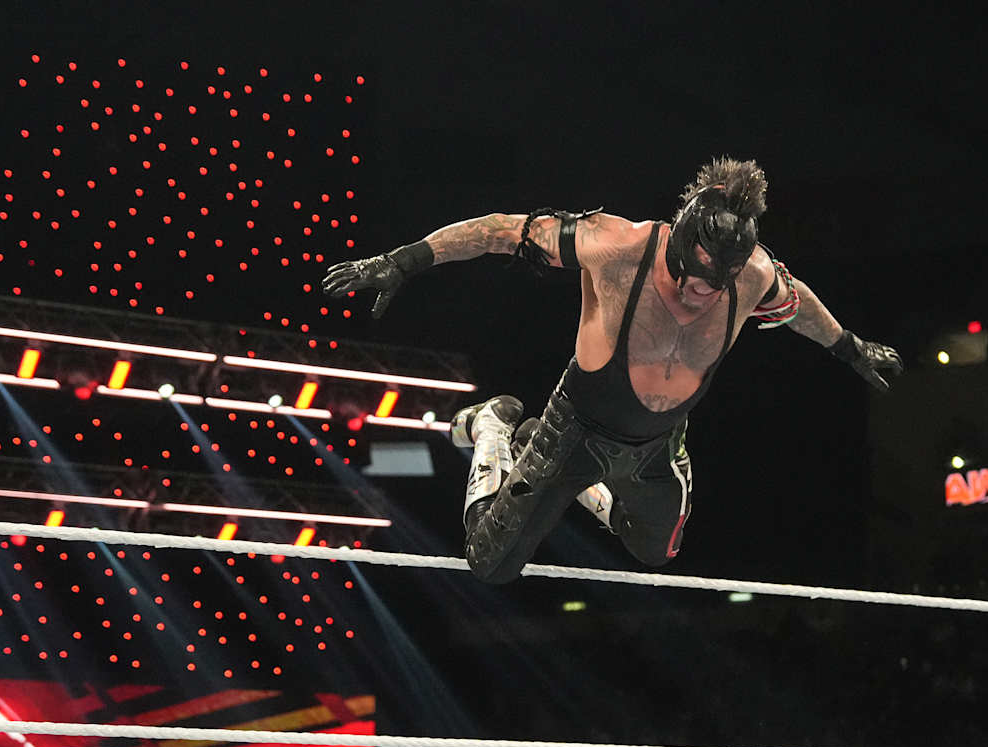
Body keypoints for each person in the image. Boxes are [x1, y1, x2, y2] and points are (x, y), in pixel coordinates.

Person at [321, 158, 903, 584]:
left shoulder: (752, 275)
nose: (703, 293)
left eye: (717, 283)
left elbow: (799, 306)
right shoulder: (617, 246)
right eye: (697, 276)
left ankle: (575, 480)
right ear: (682, 242)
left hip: (658, 444)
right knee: (489, 562)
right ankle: (493, 428)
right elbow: (501, 229)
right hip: (577, 428)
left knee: (656, 551)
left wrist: (852, 348)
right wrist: (402, 261)